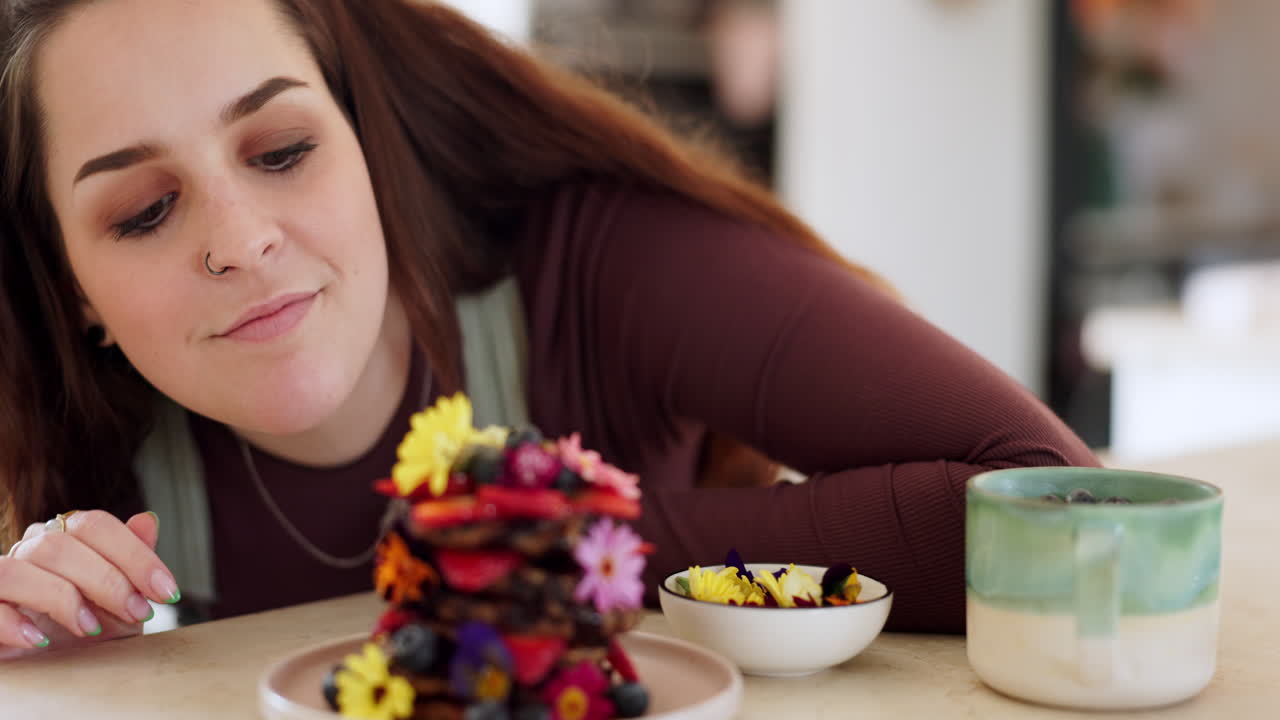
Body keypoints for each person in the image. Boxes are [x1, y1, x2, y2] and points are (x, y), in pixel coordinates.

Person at [0, 0, 1098, 659]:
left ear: (364, 140)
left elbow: (1064, 508)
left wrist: (561, 543)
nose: (237, 240)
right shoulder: (68, 442)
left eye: (281, 149)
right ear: (74, 284)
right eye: (143, 212)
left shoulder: (605, 264)